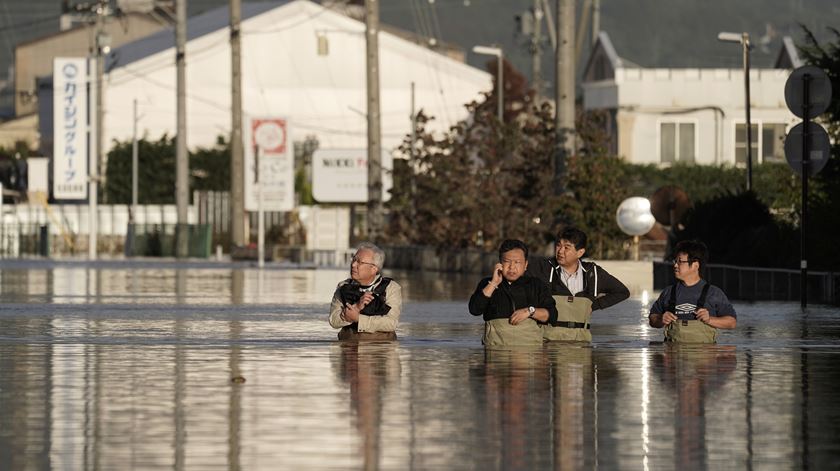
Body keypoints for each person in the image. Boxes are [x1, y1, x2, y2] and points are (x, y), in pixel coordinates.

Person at [527, 227, 630, 342]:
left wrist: (593, 306)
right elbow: (517, 277)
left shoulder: (593, 273)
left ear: (580, 252)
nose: (560, 251)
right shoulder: (543, 268)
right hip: (546, 341)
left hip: (581, 340)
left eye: (567, 247)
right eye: (558, 245)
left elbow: (623, 292)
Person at [468, 239, 558, 346]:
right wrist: (493, 283)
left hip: (529, 351)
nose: (512, 267)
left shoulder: (536, 285)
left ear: (525, 265)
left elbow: (552, 315)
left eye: (517, 262)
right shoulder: (487, 284)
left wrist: (530, 311)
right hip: (495, 351)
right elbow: (474, 310)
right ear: (500, 263)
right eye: (507, 261)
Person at [648, 240, 736, 343]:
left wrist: (709, 320)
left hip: (704, 355)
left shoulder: (714, 293)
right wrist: (661, 319)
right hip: (673, 356)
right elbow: (652, 319)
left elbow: (732, 322)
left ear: (695, 265)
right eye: (675, 261)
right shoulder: (668, 292)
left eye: (680, 261)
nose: (675, 265)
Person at [329, 242, 402, 340]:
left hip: (381, 349)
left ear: (373, 269)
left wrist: (358, 318)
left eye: (360, 262)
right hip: (349, 348)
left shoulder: (391, 288)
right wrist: (353, 310)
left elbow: (391, 323)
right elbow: (333, 321)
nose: (354, 264)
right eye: (354, 259)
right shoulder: (343, 287)